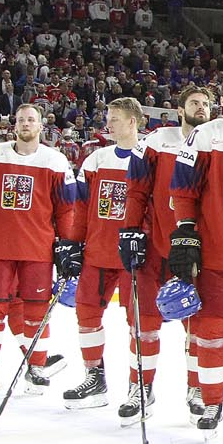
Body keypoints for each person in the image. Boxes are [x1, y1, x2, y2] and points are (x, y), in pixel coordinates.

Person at [0, 103, 79, 393]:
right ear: (14, 124)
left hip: (37, 248)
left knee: (36, 311)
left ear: (41, 126)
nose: (26, 124)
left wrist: (66, 243)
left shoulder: (55, 160)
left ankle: (36, 366)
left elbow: (66, 209)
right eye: (21, 119)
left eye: (31, 120)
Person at [167, 71, 223, 433]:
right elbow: (184, 190)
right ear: (221, 100)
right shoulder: (204, 136)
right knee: (209, 331)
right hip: (214, 252)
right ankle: (211, 401)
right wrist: (186, 232)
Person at [62, 97, 155, 422]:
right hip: (98, 251)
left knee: (139, 323)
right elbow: (83, 209)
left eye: (115, 119)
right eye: (108, 118)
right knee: (87, 313)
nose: (109, 123)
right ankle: (94, 377)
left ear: (133, 122)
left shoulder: (150, 156)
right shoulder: (96, 159)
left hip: (136, 255)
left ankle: (139, 386)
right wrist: (72, 244)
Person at [125, 85, 211, 416]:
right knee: (144, 323)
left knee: (197, 326)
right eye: (194, 102)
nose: (200, 107)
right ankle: (141, 387)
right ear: (180, 110)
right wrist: (130, 230)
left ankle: (197, 387)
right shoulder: (158, 141)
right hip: (159, 245)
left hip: (198, 249)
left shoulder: (216, 141)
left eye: (205, 103)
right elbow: (136, 190)